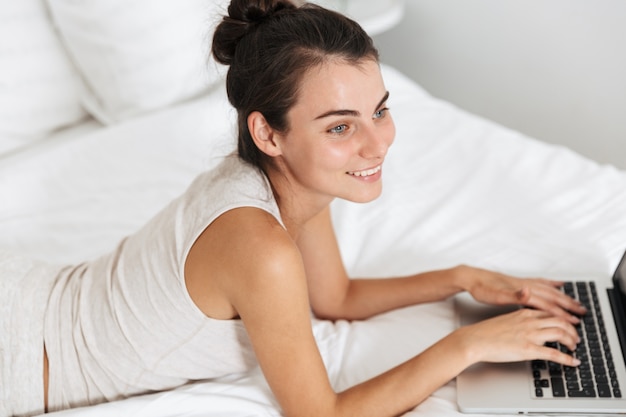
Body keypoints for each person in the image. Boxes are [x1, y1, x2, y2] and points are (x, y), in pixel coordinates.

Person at [0, 1, 587, 417]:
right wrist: (470, 346)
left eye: (379, 111)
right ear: (269, 133)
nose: (377, 144)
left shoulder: (290, 182)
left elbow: (334, 299)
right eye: (340, 126)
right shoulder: (261, 247)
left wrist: (462, 280)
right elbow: (319, 414)